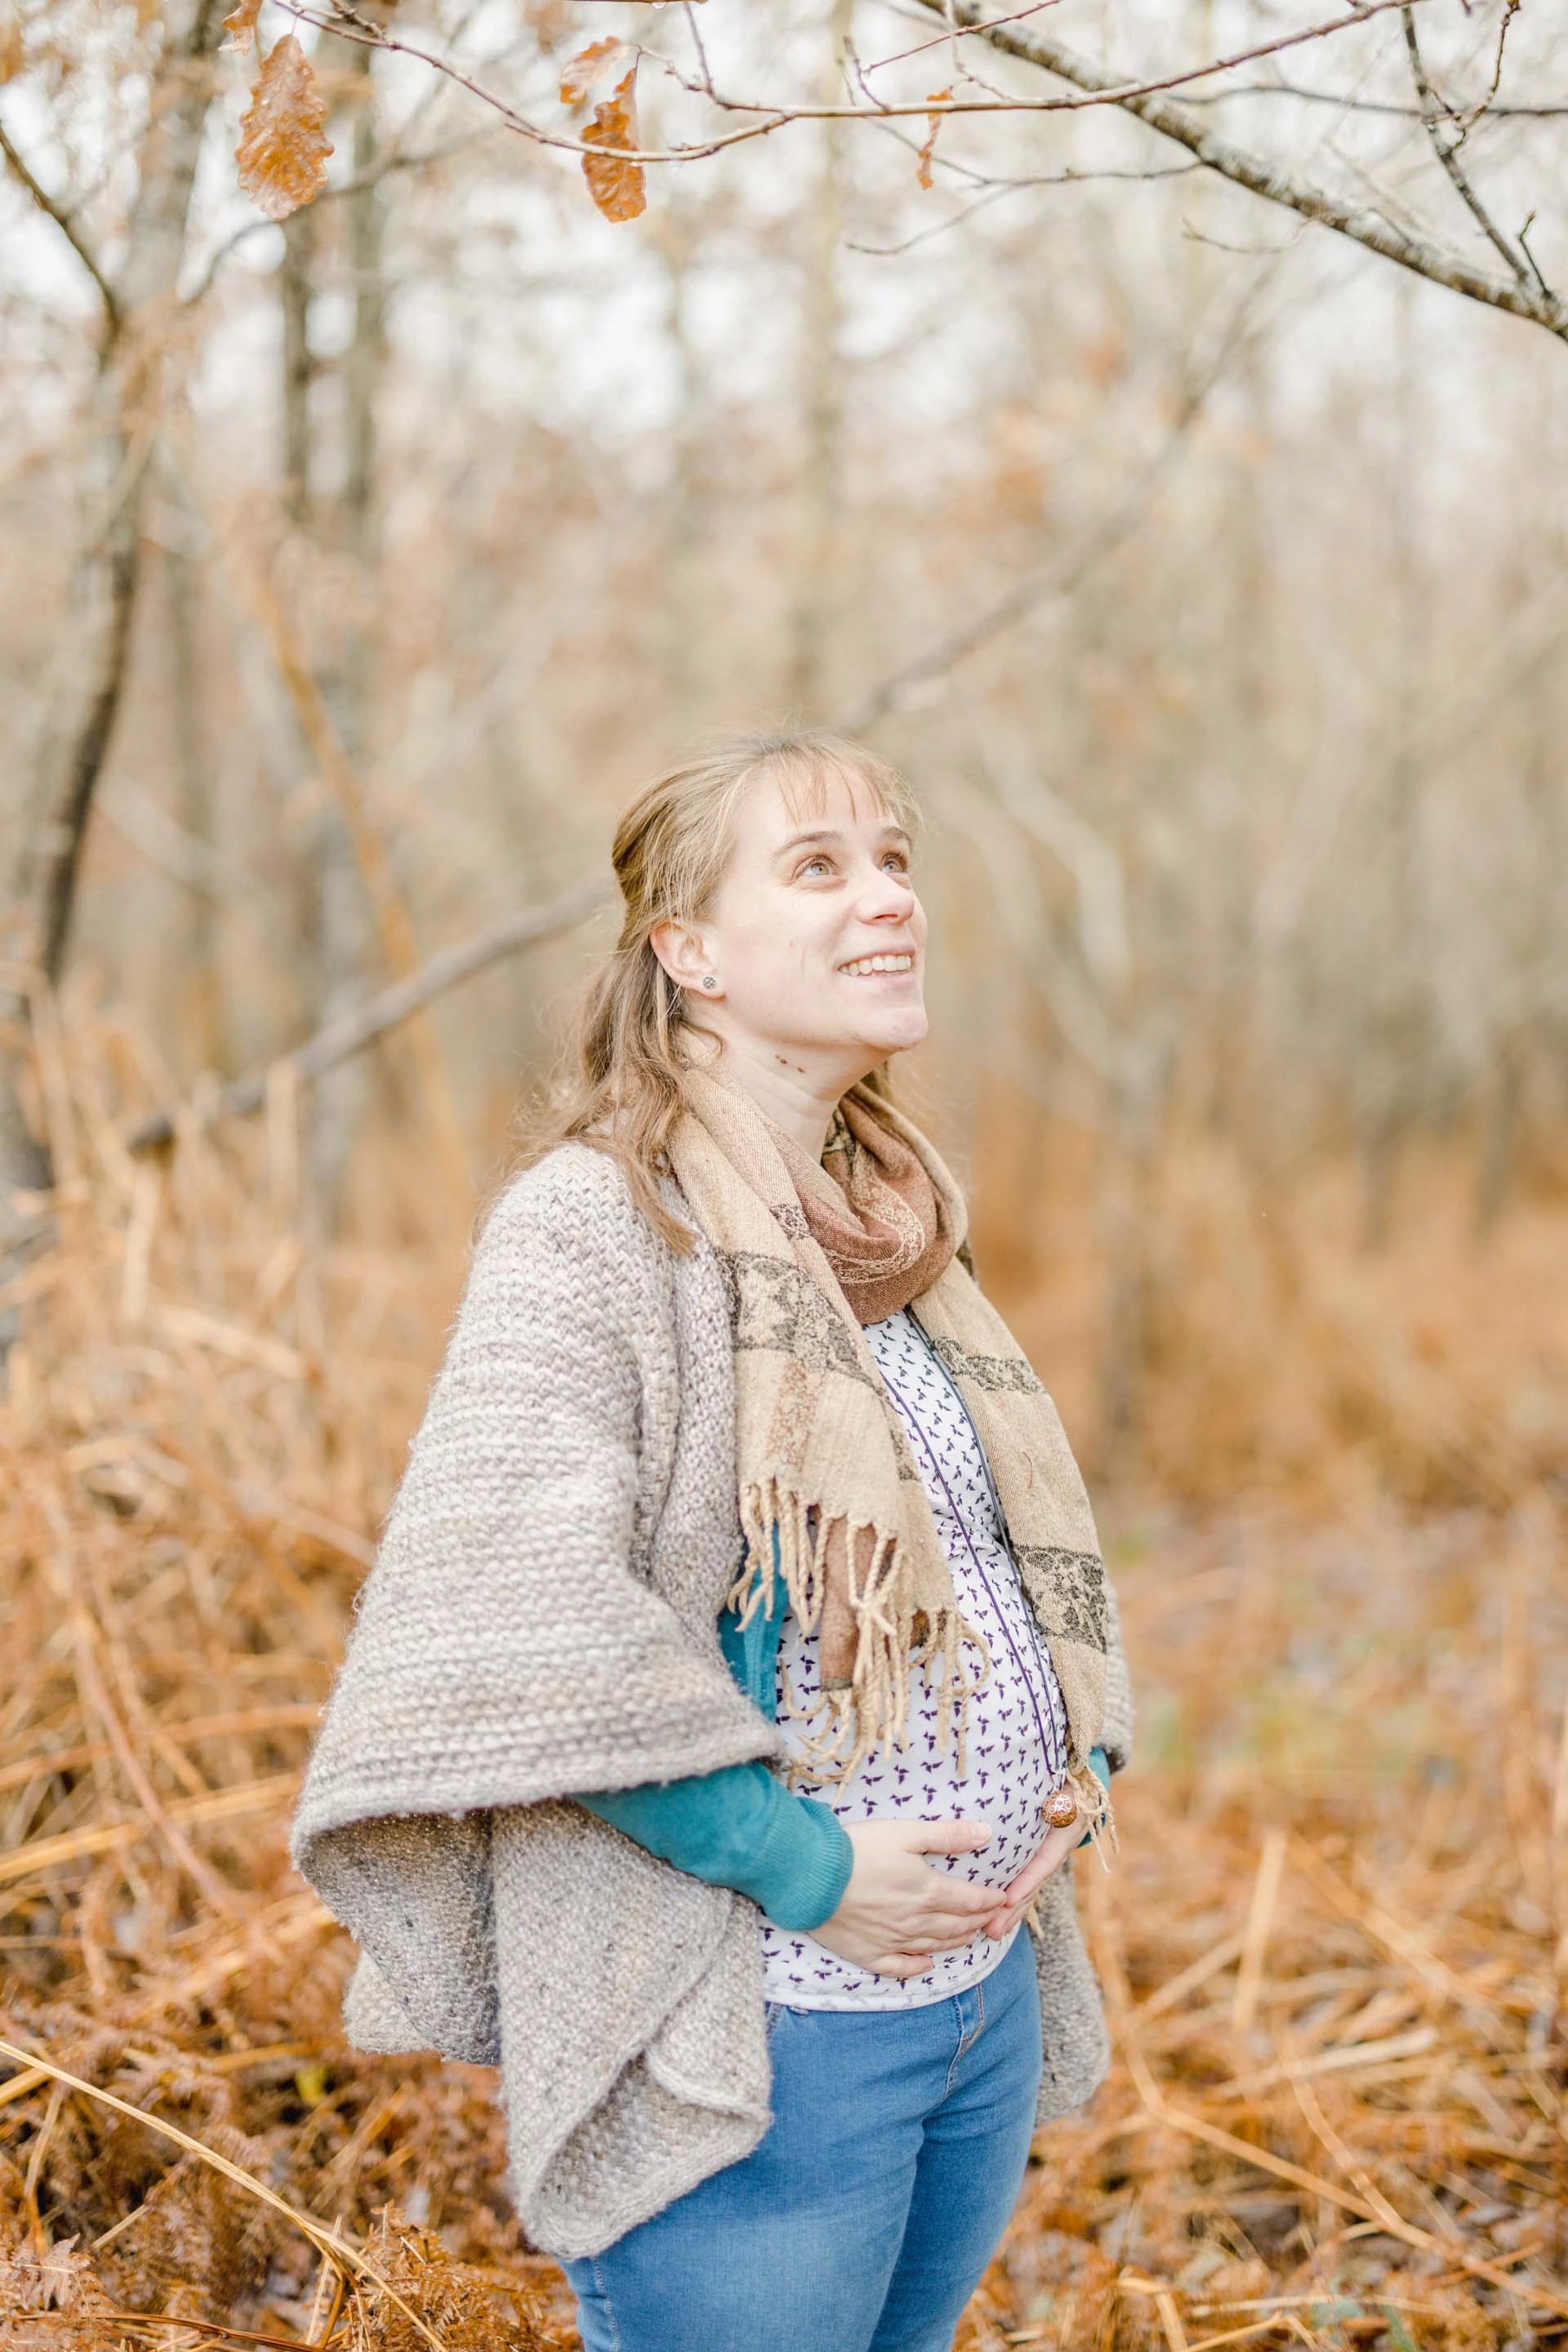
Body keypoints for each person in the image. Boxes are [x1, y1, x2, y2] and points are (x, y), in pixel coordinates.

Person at [292, 728, 1133, 2352]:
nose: (888, 899)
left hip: (977, 2005)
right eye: (819, 868)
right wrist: (809, 1871)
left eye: (894, 859)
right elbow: (517, 1634)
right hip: (767, 2021)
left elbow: (994, 1557)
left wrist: (1072, 1755)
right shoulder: (595, 1224)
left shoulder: (893, 1221)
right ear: (689, 951)